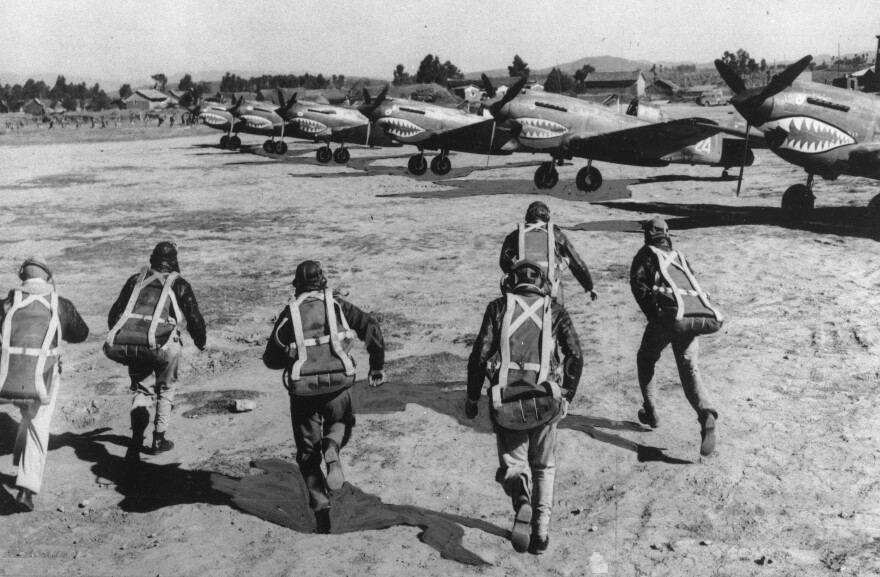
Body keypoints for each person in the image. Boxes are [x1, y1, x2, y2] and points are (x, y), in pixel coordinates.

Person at [465, 260, 583, 555]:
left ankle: (521, 496)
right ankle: (541, 533)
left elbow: (480, 355)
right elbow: (575, 356)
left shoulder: (497, 307)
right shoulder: (555, 310)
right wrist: (567, 394)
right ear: (543, 283)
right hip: (546, 401)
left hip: (506, 403)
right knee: (544, 466)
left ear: (509, 281)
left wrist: (471, 397)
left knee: (513, 467)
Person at [263, 260, 385, 534]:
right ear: (323, 281)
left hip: (304, 392)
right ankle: (333, 448)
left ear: (297, 285)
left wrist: (294, 355)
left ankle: (321, 513)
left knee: (307, 454)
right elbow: (372, 328)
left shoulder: (289, 313)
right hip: (339, 385)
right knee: (342, 422)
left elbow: (271, 359)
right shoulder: (338, 305)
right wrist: (376, 365)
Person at [0, 257, 89, 512]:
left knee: (27, 414)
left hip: (8, 377)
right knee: (39, 425)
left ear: (22, 277)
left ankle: (20, 461)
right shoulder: (59, 304)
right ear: (47, 277)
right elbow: (81, 333)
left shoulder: (8, 303)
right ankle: (26, 489)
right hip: (43, 377)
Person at [106, 242, 207, 463]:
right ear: (174, 260)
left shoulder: (136, 279)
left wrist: (129, 338)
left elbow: (115, 314)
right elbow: (195, 319)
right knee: (166, 389)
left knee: (142, 390)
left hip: (138, 344)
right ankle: (159, 439)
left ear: (153, 258)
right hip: (163, 346)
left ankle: (135, 441)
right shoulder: (179, 284)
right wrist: (201, 342)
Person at [630, 217, 722, 457]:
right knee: (689, 367)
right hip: (689, 318)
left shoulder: (645, 255)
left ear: (648, 234)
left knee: (646, 358)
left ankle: (651, 411)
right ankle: (706, 413)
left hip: (667, 319)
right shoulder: (680, 258)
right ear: (667, 234)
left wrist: (656, 317)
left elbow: (638, 286)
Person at [499, 201, 598, 304]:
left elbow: (504, 261)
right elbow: (578, 264)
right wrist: (589, 286)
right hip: (551, 290)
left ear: (527, 216)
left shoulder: (516, 235)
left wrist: (514, 275)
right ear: (547, 216)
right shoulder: (557, 235)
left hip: (522, 287)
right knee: (560, 318)